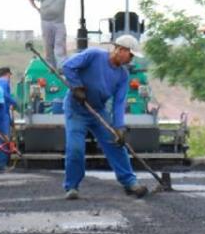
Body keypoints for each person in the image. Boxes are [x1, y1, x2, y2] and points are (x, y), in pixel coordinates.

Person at [61, 34, 148, 200]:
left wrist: (119, 127)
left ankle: (130, 182)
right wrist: (77, 86)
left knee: (116, 143)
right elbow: (68, 67)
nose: (131, 59)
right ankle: (72, 186)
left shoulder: (123, 75)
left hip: (98, 110)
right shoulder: (93, 55)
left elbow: (119, 103)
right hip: (76, 108)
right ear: (120, 50)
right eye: (131, 55)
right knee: (76, 148)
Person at [28, 0, 86, 68]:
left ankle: (62, 66)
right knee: (48, 45)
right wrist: (37, 9)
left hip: (58, 22)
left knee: (60, 44)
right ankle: (51, 67)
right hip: (46, 22)